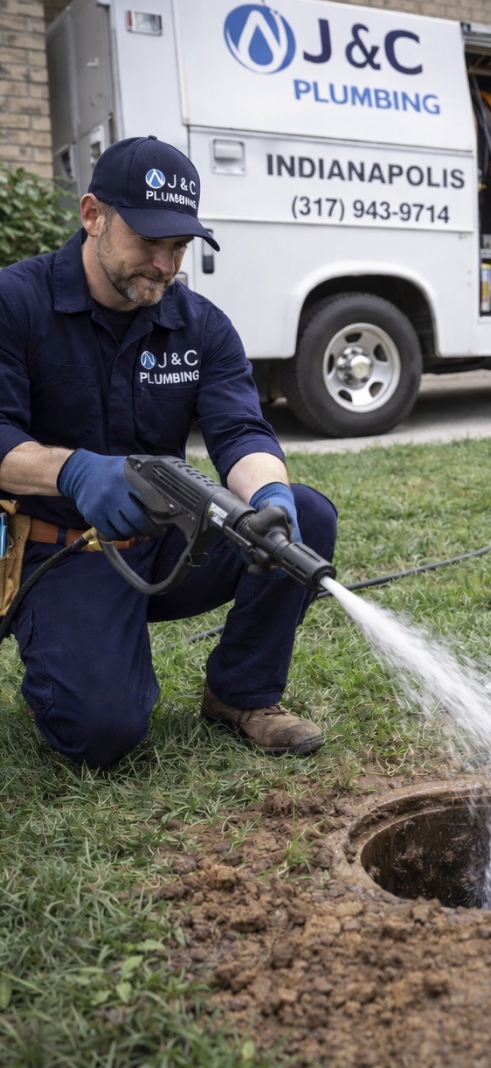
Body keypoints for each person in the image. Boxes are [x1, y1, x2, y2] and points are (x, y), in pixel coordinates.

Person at [0, 135, 337, 768]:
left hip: (165, 547)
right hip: (61, 550)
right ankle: (79, 658)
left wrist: (266, 495)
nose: (164, 263)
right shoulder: (15, 303)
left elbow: (240, 431)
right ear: (93, 215)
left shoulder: (200, 325)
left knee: (304, 518)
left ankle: (241, 694)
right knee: (101, 735)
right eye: (148, 242)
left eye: (179, 246)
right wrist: (71, 471)